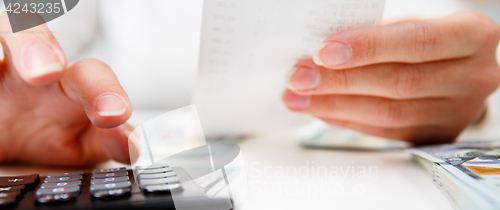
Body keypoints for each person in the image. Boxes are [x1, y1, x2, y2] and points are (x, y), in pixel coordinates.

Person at [0, 0, 499, 166]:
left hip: (344, 178)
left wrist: (461, 96)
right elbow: (27, 19)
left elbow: (450, 35)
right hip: (138, 156)